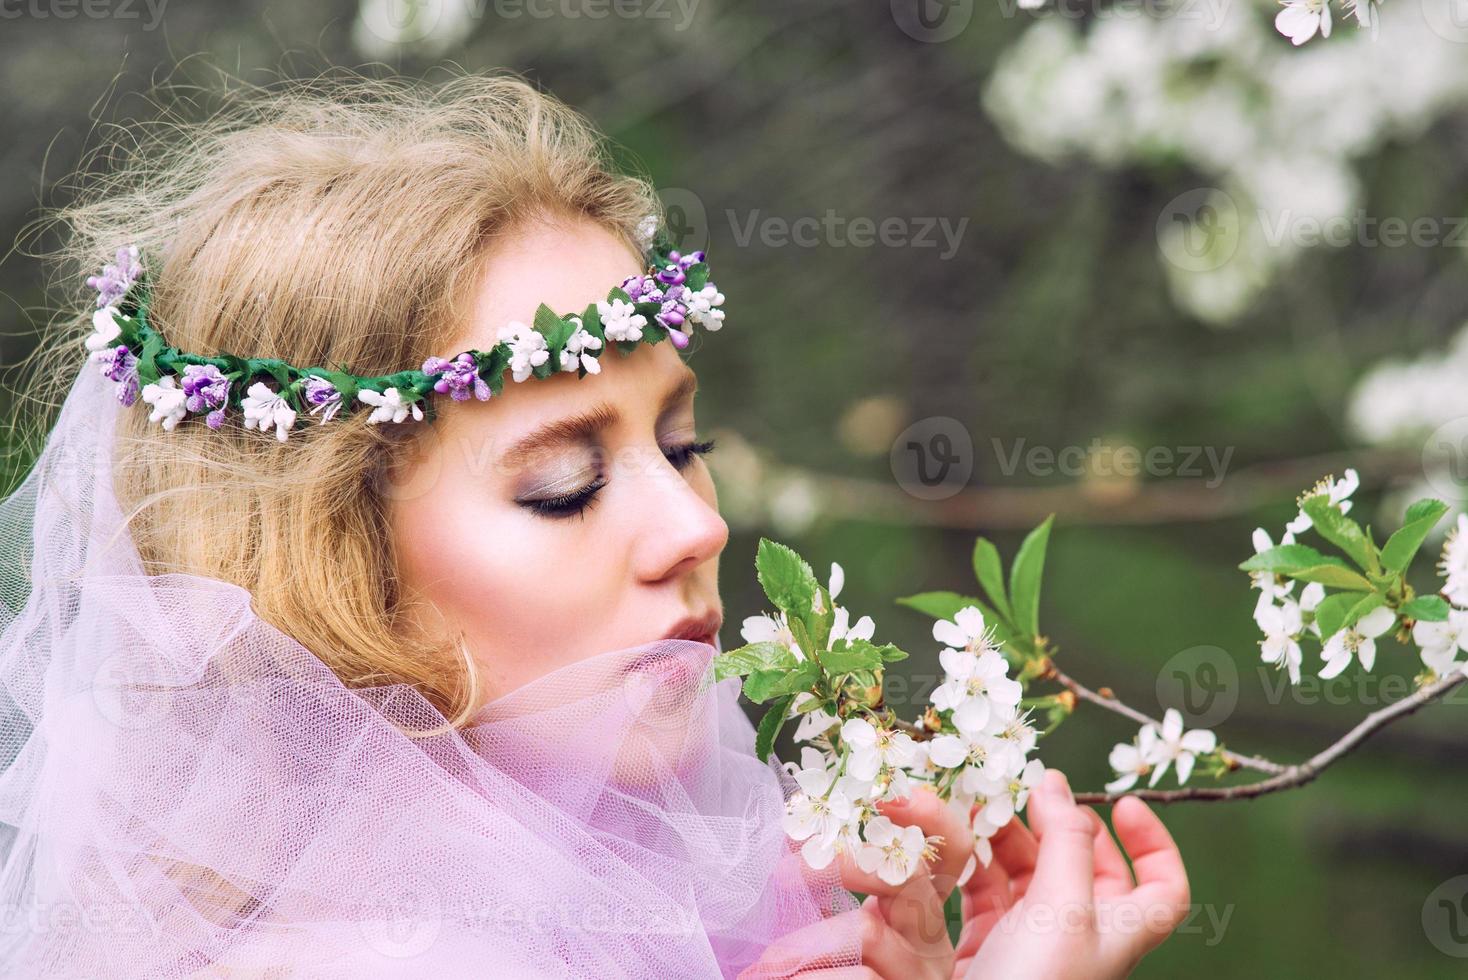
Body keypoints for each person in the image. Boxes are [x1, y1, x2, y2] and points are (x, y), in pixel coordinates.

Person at [0, 70, 1189, 978]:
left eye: (684, 446)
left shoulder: (706, 904)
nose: (694, 526)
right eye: (562, 482)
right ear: (329, 567)